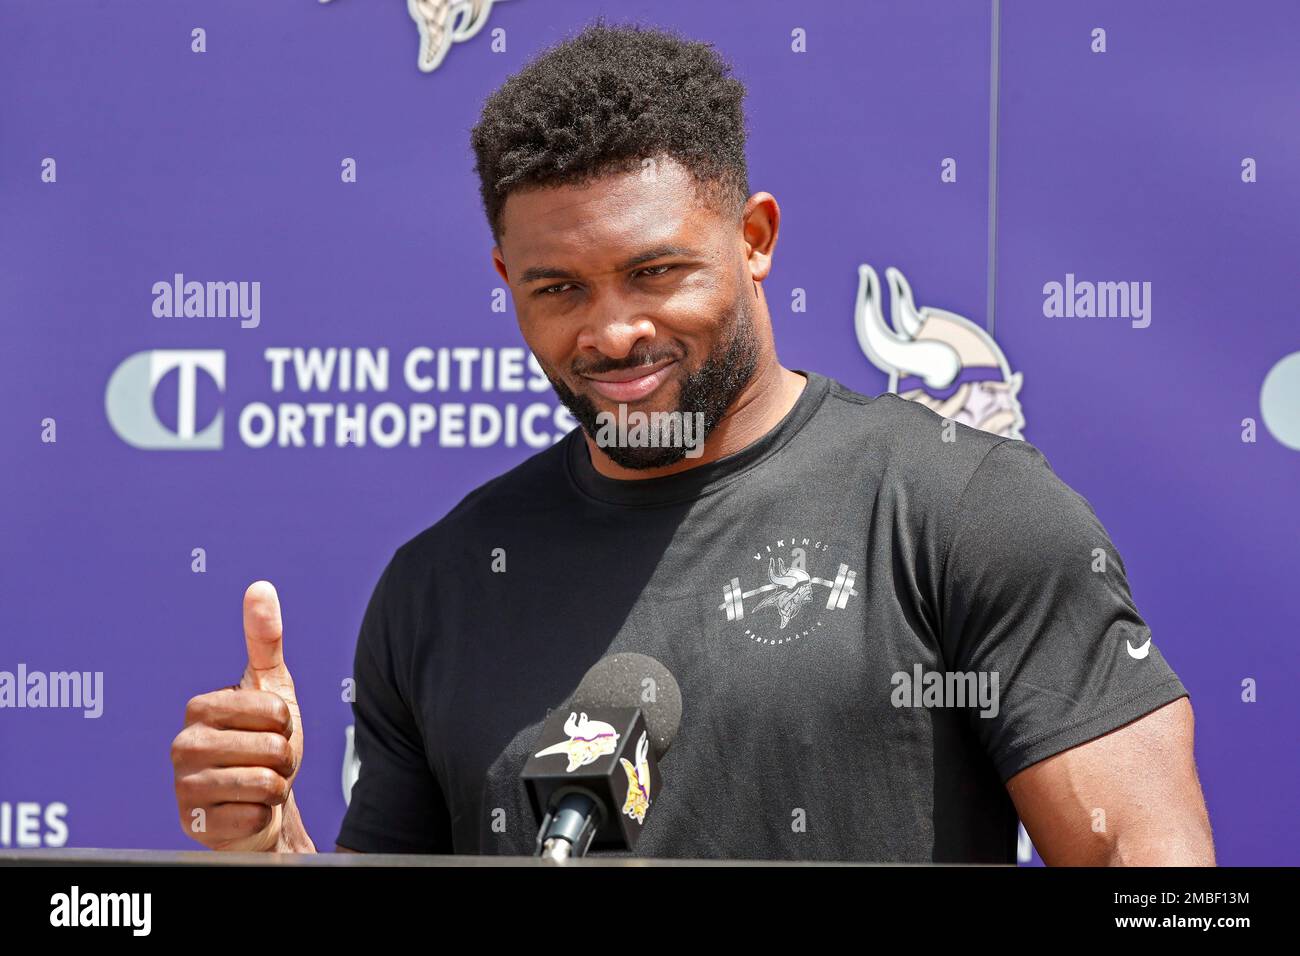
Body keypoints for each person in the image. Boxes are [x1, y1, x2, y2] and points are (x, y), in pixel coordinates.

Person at [170, 20, 1214, 864]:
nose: (613, 330)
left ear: (754, 239)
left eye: (656, 272)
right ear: (504, 284)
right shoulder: (438, 582)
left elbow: (1148, 870)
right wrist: (263, 849)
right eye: (558, 288)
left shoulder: (962, 508)